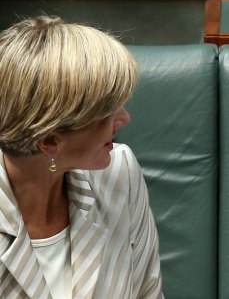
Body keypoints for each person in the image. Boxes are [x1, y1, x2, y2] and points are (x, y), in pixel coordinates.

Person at [0, 16, 164, 298]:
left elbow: (147, 293)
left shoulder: (120, 171)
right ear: (50, 140)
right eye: (108, 112)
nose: (125, 118)